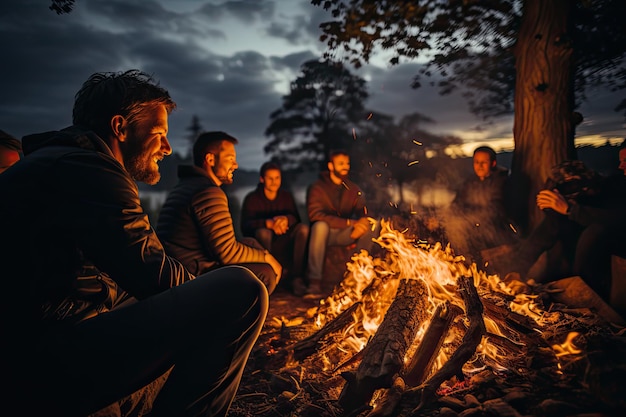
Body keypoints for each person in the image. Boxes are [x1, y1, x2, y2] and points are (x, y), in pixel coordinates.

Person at [0, 70, 268, 417]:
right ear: (120, 127)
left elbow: (123, 274)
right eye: (159, 134)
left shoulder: (62, 163)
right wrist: (204, 300)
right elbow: (155, 276)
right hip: (38, 359)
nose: (168, 149)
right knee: (242, 291)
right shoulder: (89, 168)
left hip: (39, 340)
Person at [156, 131, 282, 294]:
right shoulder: (208, 192)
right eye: (230, 158)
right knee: (265, 274)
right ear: (210, 159)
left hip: (181, 267)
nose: (235, 165)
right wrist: (267, 257)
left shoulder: (188, 185)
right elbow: (227, 253)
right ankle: (235, 317)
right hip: (189, 279)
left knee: (250, 243)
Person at [496, 157, 626, 301]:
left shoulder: (614, 188)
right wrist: (515, 269)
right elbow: (544, 234)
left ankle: (587, 296)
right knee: (557, 227)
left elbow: (616, 219)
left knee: (594, 232)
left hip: (613, 257)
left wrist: (570, 209)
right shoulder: (582, 199)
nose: (621, 165)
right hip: (581, 263)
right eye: (620, 160)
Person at [305, 149, 378, 295]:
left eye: (347, 163)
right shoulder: (317, 188)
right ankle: (314, 282)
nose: (345, 166)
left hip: (345, 233)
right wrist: (351, 224)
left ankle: (357, 275)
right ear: (331, 166)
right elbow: (315, 215)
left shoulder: (352, 188)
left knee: (372, 224)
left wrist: (363, 222)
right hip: (324, 234)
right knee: (320, 226)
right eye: (341, 163)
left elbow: (364, 210)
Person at [439, 145, 518, 264]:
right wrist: (442, 218)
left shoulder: (502, 182)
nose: (479, 166)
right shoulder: (470, 183)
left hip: (497, 233)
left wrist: (464, 219)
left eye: (484, 162)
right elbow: (456, 204)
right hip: (474, 229)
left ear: (493, 163)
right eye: (476, 162)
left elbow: (494, 211)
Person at [241, 161, 309, 295]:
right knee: (264, 232)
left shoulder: (286, 196)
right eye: (270, 178)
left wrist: (285, 220)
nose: (274, 182)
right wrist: (268, 223)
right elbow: (245, 226)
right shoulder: (252, 198)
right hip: (263, 244)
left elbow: (296, 219)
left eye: (277, 178)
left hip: (285, 238)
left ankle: (297, 278)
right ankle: (270, 278)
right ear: (262, 179)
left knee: (303, 229)